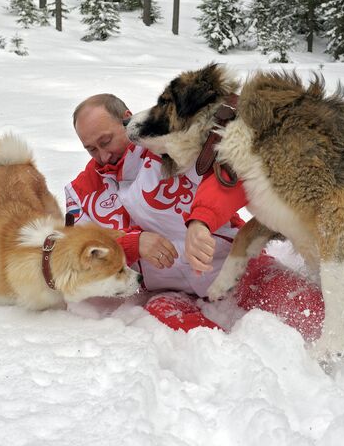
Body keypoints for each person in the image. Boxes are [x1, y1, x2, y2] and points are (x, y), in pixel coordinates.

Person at [65, 93, 325, 340]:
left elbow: (235, 173)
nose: (103, 156)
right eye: (91, 149)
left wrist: (202, 220)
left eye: (106, 141)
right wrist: (130, 246)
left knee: (314, 314)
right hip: (166, 293)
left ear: (127, 118)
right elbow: (71, 258)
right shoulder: (81, 192)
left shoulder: (174, 143)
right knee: (198, 344)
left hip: (236, 265)